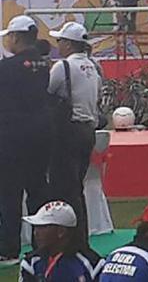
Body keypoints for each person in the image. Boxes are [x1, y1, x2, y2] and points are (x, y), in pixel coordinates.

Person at [0, 15, 53, 263]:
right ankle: (40, 246)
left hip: (11, 137)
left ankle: (9, 248)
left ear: (16, 37)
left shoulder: (7, 68)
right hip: (41, 136)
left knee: (9, 195)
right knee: (37, 193)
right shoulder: (45, 65)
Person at [46, 22, 102, 248]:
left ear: (68, 44)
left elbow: (47, 92)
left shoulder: (63, 67)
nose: (58, 44)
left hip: (68, 131)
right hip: (88, 131)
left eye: (60, 40)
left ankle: (74, 239)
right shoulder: (94, 67)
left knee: (65, 188)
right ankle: (79, 236)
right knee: (76, 186)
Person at [19, 200, 102, 282]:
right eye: (36, 227)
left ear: (61, 231)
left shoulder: (93, 264)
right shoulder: (31, 263)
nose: (35, 233)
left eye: (43, 227)